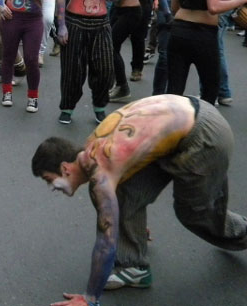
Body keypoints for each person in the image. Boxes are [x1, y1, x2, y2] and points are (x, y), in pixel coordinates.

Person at [32, 94, 247, 306]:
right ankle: (134, 267)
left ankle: (242, 233)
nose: (51, 188)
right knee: (123, 192)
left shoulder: (101, 174)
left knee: (195, 214)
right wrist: (132, 226)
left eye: (49, 180)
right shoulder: (90, 148)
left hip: (204, 135)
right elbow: (133, 164)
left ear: (64, 168)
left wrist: (90, 298)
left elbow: (106, 243)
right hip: (191, 113)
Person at [56, 0, 117, 125]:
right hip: (75, 23)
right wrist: (61, 25)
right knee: (73, 70)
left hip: (101, 24)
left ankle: (100, 106)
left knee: (105, 69)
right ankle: (67, 107)